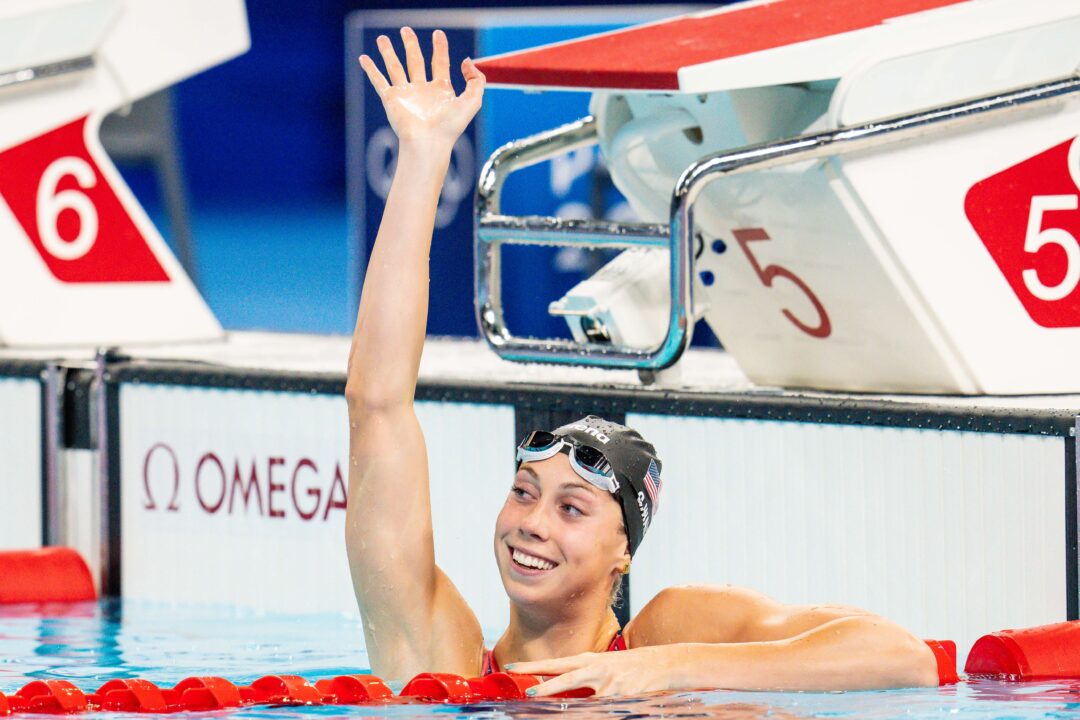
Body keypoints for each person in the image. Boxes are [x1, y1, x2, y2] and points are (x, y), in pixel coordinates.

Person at [346, 27, 939, 697]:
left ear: (623, 552)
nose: (532, 525)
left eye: (573, 509)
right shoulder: (441, 653)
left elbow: (902, 657)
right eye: (523, 493)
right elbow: (376, 405)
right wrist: (423, 156)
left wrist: (664, 669)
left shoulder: (668, 630)